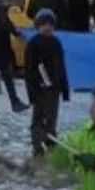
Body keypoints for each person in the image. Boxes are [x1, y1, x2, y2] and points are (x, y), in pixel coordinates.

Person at [25, 9, 70, 156]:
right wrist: (31, 92)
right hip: (39, 88)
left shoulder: (56, 42)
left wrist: (65, 89)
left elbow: (61, 66)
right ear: (38, 26)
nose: (47, 27)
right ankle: (37, 145)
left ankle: (51, 144)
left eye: (50, 24)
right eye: (44, 24)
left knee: (51, 117)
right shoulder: (33, 43)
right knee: (38, 117)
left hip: (54, 88)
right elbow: (30, 69)